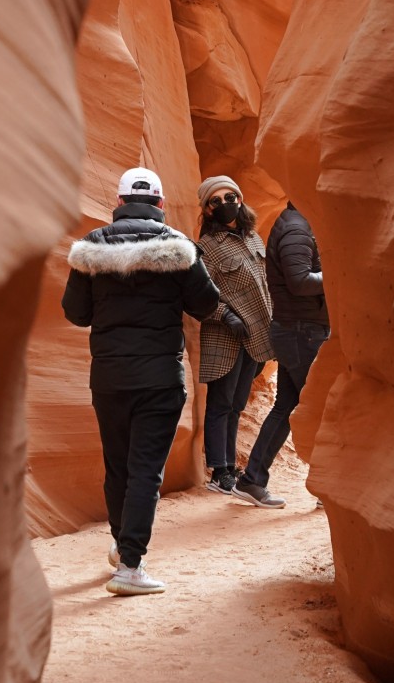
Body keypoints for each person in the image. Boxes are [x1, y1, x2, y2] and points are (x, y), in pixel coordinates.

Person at [62, 166, 220, 595]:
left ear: (118, 203)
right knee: (145, 471)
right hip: (159, 378)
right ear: (161, 205)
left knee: (118, 466)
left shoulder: (91, 247)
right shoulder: (178, 247)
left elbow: (76, 314)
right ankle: (130, 565)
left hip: (109, 377)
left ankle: (121, 545)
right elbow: (206, 305)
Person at [234, 201, 329, 508]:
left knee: (287, 405)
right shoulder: (296, 228)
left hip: (298, 330)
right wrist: (339, 277)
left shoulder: (298, 223)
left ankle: (252, 480)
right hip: (301, 332)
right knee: (318, 408)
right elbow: (300, 281)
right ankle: (328, 487)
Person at [196, 175, 274, 494]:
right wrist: (224, 315)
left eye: (231, 198)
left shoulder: (255, 239)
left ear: (240, 200)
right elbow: (197, 296)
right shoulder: (205, 248)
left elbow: (266, 285)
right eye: (216, 201)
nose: (226, 204)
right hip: (224, 337)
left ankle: (230, 465)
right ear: (208, 210)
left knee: (237, 405)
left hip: (254, 337)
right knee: (221, 404)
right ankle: (219, 472)